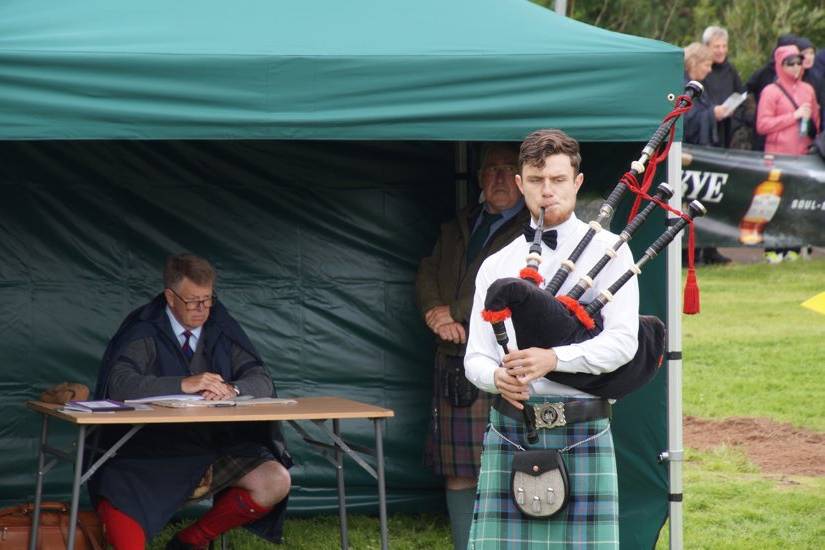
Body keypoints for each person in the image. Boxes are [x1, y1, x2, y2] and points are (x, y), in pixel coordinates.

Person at [464, 129, 639, 548]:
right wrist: (495, 379)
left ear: (577, 183)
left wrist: (553, 359)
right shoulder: (496, 264)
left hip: (583, 429)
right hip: (512, 428)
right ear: (522, 183)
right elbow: (475, 356)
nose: (548, 191)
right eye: (538, 181)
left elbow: (623, 343)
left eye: (558, 180)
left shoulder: (611, 250)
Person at [89, 254, 292, 550]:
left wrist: (232, 389)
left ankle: (192, 541)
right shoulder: (145, 328)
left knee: (275, 479)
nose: (203, 309)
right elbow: (120, 383)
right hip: (151, 450)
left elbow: (262, 380)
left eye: (208, 299)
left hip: (215, 447)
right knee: (117, 486)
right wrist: (184, 384)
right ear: (170, 297)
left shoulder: (220, 327)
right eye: (193, 301)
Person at [416, 143, 528, 550]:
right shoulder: (461, 223)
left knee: (509, 466)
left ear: (521, 178)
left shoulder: (533, 229)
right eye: (490, 170)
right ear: (480, 178)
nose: (497, 177)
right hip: (453, 358)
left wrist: (456, 314)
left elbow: (515, 286)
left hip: (506, 359)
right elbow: (427, 269)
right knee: (458, 469)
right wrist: (434, 311)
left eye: (507, 169)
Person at [756, 44, 820, 155]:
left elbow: (816, 122)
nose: (796, 66)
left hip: (805, 154)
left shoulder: (808, 89)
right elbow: (762, 125)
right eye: (791, 63)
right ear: (780, 65)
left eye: (799, 62)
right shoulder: (770, 91)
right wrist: (794, 116)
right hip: (778, 156)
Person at [683, 43, 719, 146]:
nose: (710, 70)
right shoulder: (683, 88)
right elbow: (686, 121)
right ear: (694, 63)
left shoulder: (698, 85)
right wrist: (713, 113)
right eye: (707, 65)